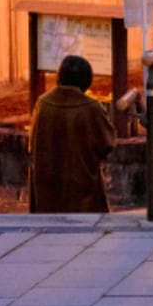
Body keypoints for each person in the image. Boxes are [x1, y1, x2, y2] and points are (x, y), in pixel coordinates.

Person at [29, 54, 115, 213]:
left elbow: (32, 142)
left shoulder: (43, 103)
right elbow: (107, 144)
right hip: (83, 190)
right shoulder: (92, 107)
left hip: (47, 190)